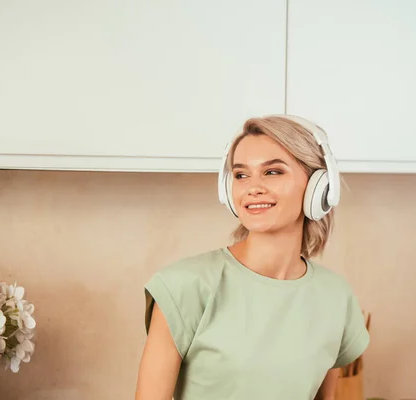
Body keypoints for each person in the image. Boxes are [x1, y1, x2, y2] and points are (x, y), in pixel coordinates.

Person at [135, 115, 370, 400]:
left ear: (318, 187)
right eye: (241, 175)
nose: (253, 187)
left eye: (273, 172)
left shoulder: (336, 297)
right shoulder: (184, 286)